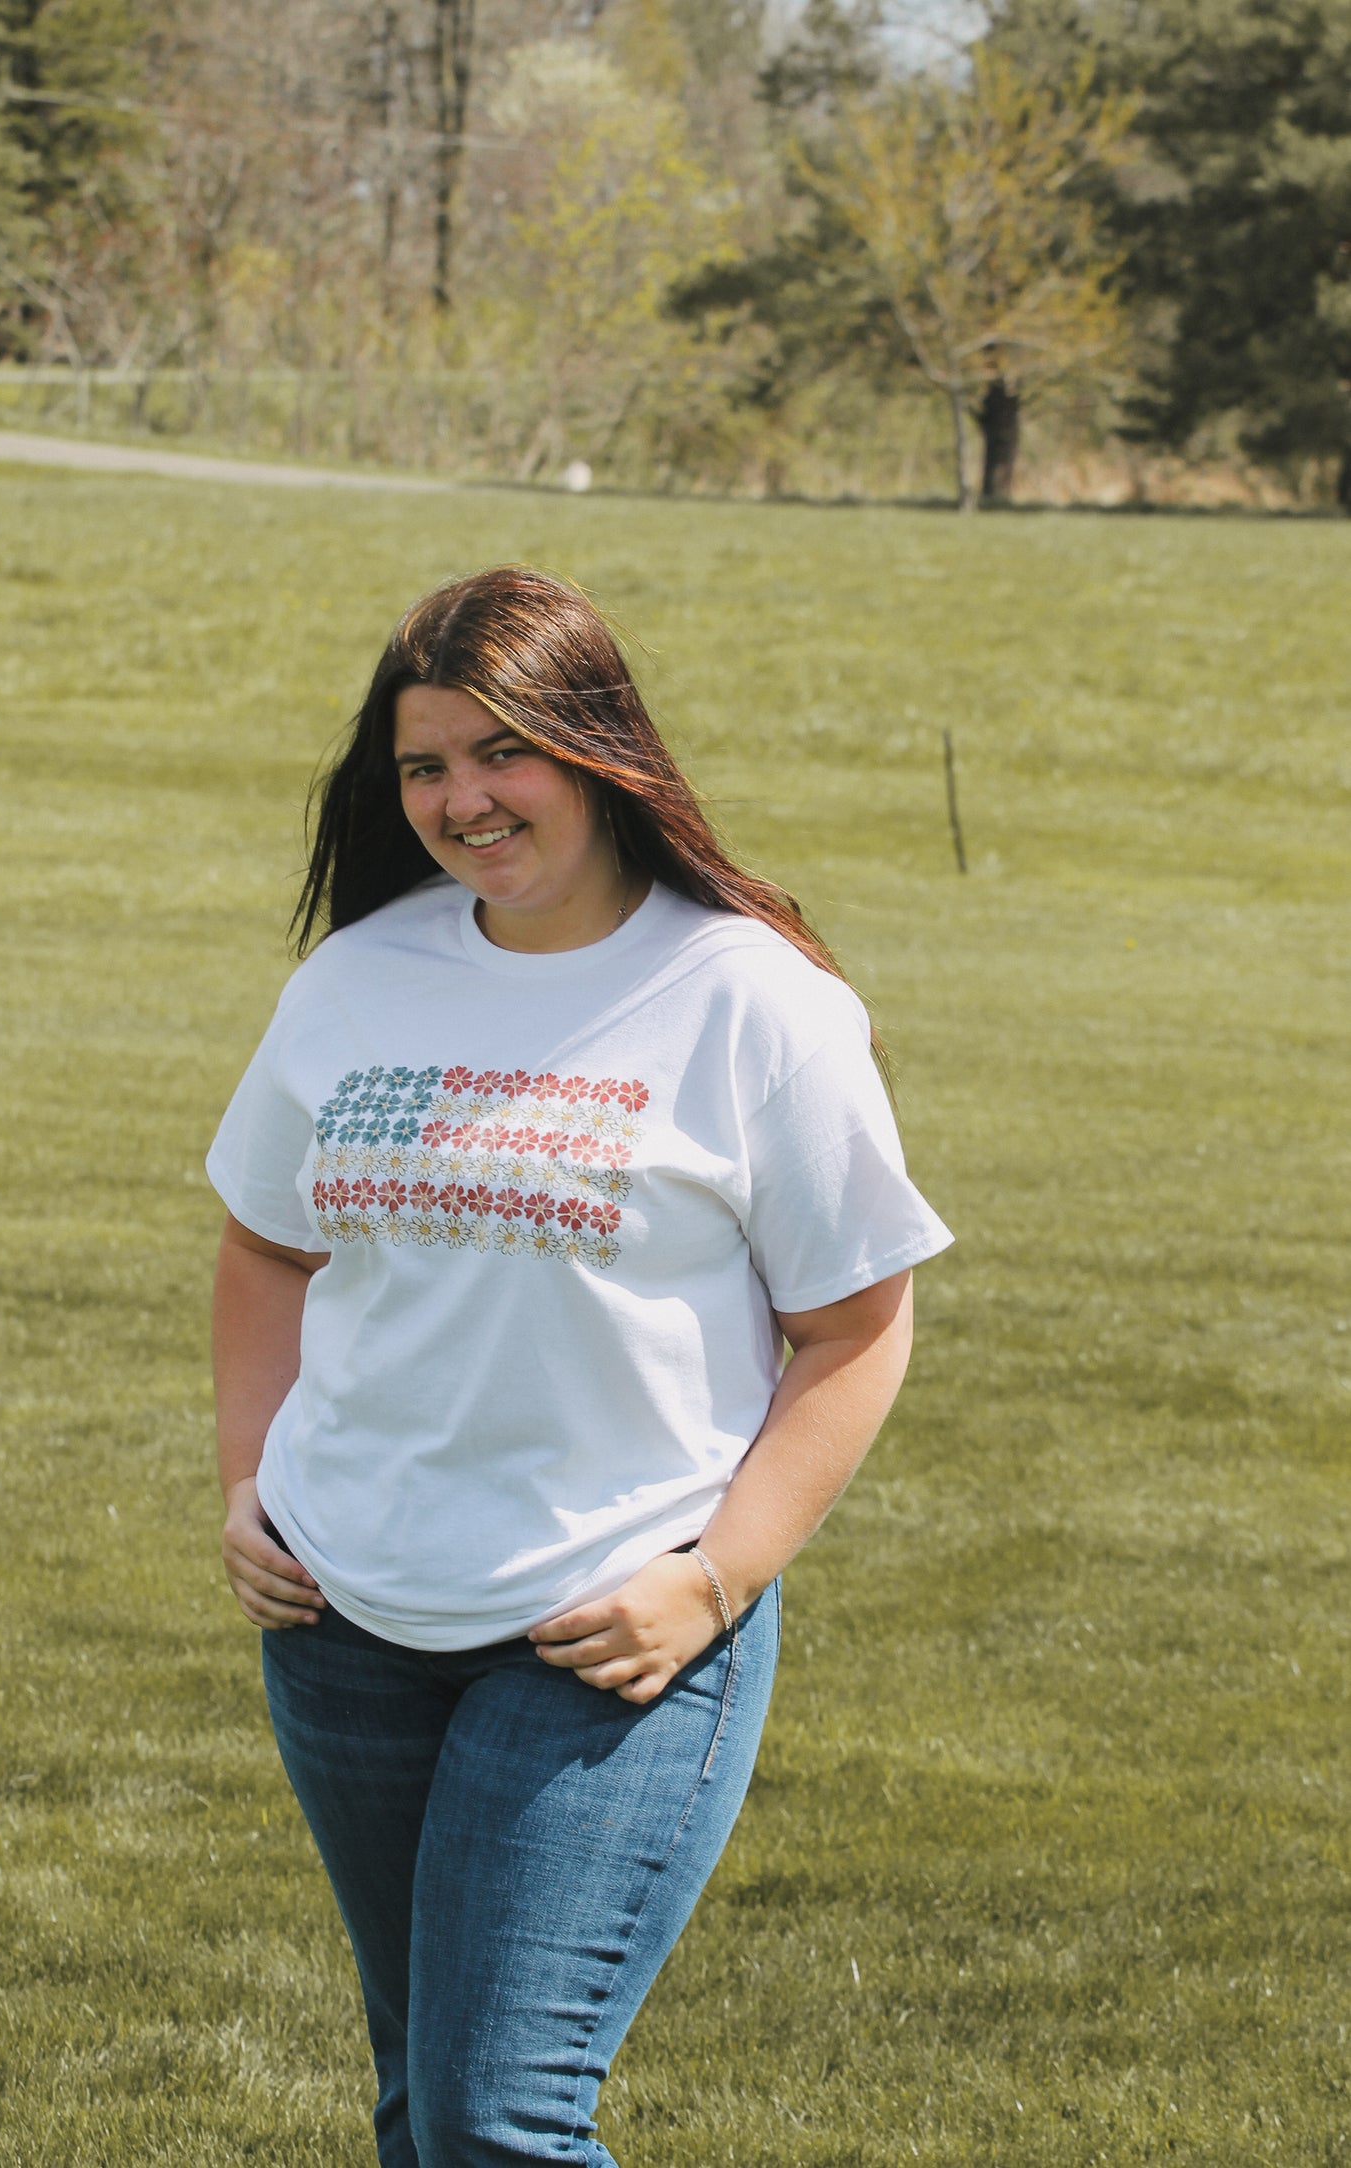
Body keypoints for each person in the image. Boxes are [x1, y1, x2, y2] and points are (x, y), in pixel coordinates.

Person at [207, 565, 952, 2167]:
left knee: (498, 2119)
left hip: (608, 1635)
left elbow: (855, 1326)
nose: (462, 800)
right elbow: (267, 1241)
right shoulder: (356, 979)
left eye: (500, 752)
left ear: (594, 745)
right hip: (343, 1615)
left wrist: (716, 1579)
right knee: (423, 2101)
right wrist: (246, 1480)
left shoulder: (752, 1001)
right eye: (422, 766)